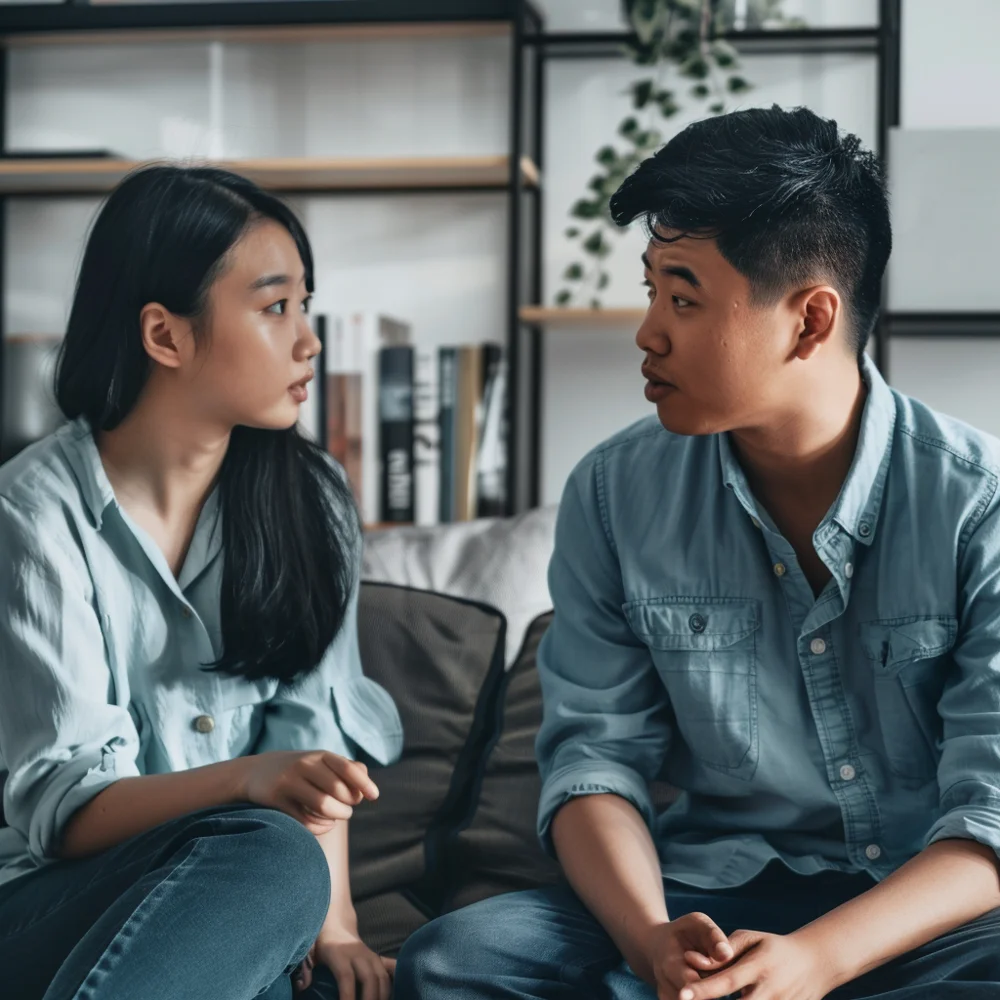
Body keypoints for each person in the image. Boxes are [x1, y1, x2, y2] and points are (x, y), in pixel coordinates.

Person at [395, 105, 1000, 999]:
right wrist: (650, 943)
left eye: (683, 297)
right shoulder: (612, 494)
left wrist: (818, 962)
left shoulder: (976, 501)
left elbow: (989, 818)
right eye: (652, 291)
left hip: (916, 916)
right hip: (705, 898)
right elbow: (594, 763)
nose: (648, 331)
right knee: (455, 959)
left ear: (808, 321)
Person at [0, 165, 403, 1000]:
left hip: (226, 903)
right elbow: (65, 814)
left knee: (287, 908)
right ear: (166, 336)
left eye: (305, 304)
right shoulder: (31, 515)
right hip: (42, 903)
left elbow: (313, 736)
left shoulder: (313, 499)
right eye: (275, 307)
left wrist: (338, 929)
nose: (310, 340)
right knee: (269, 852)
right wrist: (252, 782)